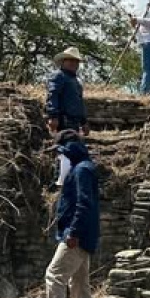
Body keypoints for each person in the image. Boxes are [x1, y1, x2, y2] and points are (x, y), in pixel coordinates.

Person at [40, 130, 100, 298]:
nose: (58, 158)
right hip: (84, 234)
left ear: (68, 150)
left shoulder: (81, 170)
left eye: (60, 153)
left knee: (54, 274)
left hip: (76, 235)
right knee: (80, 281)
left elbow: (84, 204)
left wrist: (73, 232)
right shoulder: (83, 168)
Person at [46, 46, 89, 190]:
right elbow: (53, 96)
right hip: (63, 119)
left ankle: (66, 180)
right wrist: (53, 115)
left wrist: (84, 122)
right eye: (70, 60)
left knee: (71, 150)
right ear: (63, 61)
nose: (73, 64)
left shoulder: (76, 81)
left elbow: (79, 103)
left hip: (74, 121)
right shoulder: (58, 76)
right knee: (64, 150)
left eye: (76, 61)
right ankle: (58, 182)